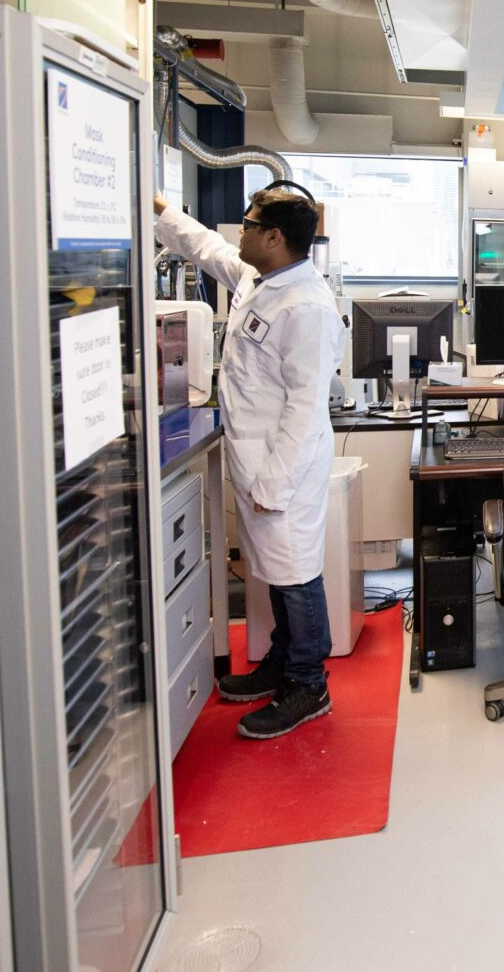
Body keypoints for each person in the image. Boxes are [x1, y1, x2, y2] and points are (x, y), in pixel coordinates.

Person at [153, 183, 345, 739]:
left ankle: (309, 684)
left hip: (285, 468)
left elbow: (304, 412)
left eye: (249, 224)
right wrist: (159, 208)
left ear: (274, 237)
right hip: (256, 460)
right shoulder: (258, 280)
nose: (240, 232)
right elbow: (206, 248)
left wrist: (275, 484)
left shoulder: (307, 307)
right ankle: (282, 664)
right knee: (278, 576)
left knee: (297, 576)